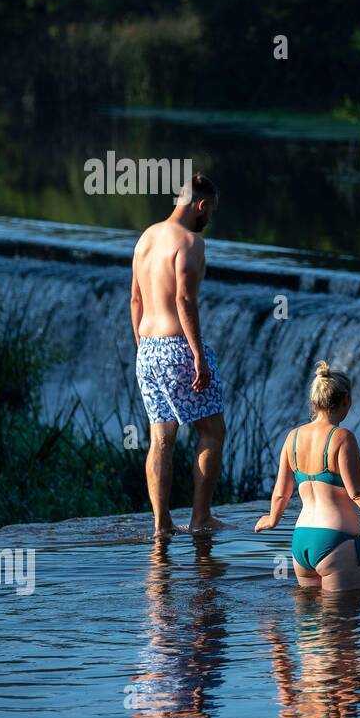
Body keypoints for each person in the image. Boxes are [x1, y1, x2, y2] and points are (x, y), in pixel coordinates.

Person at [255, 361, 360, 590]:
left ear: (314, 401)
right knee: (343, 619)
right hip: (336, 541)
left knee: (307, 620)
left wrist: (272, 520)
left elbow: (282, 492)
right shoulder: (342, 438)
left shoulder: (292, 437)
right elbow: (359, 494)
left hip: (301, 541)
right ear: (346, 399)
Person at [130, 173, 226, 538]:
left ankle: (161, 524)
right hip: (177, 347)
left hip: (147, 346)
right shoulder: (190, 242)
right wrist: (197, 354)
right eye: (210, 211)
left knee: (161, 439)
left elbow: (136, 300)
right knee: (213, 431)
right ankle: (201, 517)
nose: (209, 219)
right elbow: (184, 299)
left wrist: (142, 348)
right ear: (200, 205)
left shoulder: (146, 238)